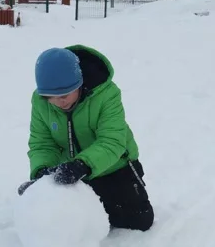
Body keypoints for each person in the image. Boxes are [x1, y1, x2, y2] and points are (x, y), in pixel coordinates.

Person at [17, 44, 154, 232]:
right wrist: (42, 175)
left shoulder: (106, 94)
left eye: (64, 95)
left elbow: (112, 141)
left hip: (114, 166)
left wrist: (82, 165)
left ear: (79, 83)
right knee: (68, 224)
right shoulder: (40, 101)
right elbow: (42, 143)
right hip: (73, 171)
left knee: (139, 221)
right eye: (51, 97)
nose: (59, 102)